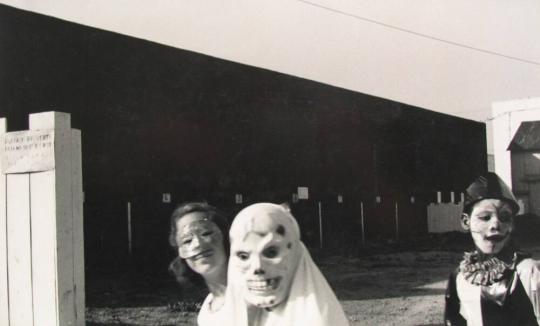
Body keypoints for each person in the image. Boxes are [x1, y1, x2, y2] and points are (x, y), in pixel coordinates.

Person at [224, 202, 349, 326]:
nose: (257, 267)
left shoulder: (315, 320)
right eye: (243, 256)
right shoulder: (243, 314)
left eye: (271, 252)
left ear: (296, 254)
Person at [444, 173, 540, 326]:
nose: (496, 225)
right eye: (485, 217)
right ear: (466, 221)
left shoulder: (528, 272)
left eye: (505, 217)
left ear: (512, 224)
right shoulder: (460, 277)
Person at [168, 202, 229, 326]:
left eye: (206, 233)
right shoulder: (207, 312)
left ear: (225, 236)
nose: (197, 244)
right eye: (187, 240)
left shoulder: (256, 293)